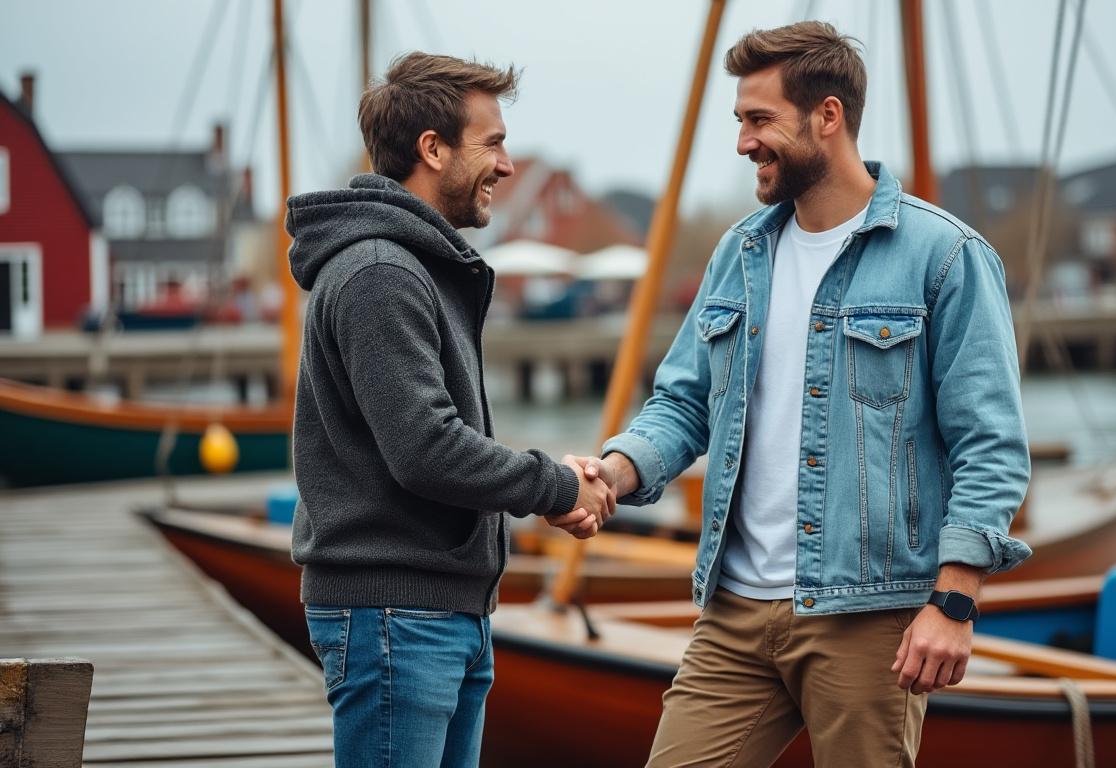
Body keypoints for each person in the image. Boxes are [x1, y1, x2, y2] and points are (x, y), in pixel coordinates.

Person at [580, 22, 1031, 766]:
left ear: (828, 116)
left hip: (870, 616)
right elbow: (685, 403)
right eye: (740, 122)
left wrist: (954, 600)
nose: (743, 142)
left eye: (759, 121)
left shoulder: (944, 256)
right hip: (733, 611)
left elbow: (990, 443)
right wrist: (613, 473)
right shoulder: (740, 252)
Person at [286, 52, 613, 768]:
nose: (507, 164)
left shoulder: (418, 266)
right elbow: (426, 447)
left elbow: (434, 436)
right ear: (432, 148)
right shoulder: (380, 273)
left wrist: (550, 482)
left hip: (439, 612)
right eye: (491, 143)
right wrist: (557, 486)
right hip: (397, 618)